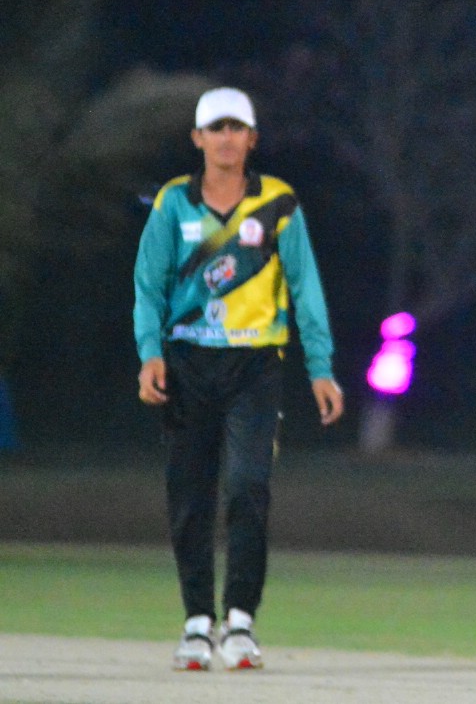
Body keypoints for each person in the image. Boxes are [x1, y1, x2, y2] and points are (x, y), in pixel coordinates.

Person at [133, 86, 344, 672]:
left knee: (249, 487)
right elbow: (148, 285)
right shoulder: (173, 203)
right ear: (198, 138)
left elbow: (305, 286)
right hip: (186, 363)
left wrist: (321, 367)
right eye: (215, 128)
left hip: (255, 365)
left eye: (236, 128)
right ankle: (197, 624)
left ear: (252, 139)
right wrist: (150, 354)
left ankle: (241, 622)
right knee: (190, 493)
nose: (226, 138)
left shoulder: (277, 202)